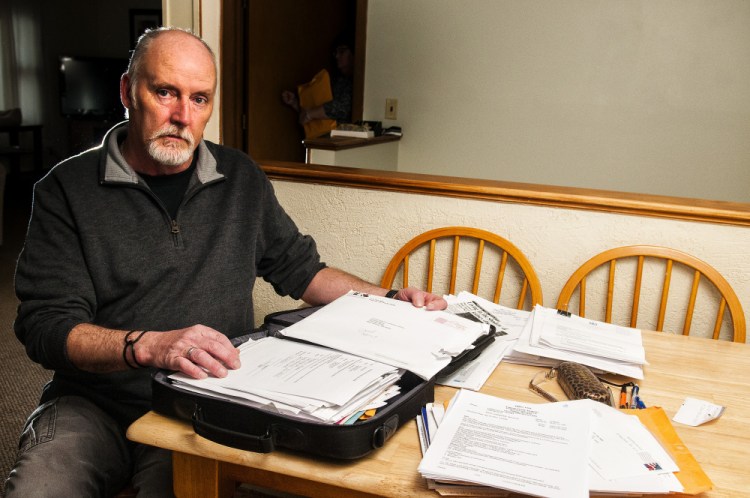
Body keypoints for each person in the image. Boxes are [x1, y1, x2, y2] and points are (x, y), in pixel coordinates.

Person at [5, 27, 445, 497]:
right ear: (126, 91)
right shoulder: (64, 190)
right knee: (40, 488)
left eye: (200, 99)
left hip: (204, 399)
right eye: (165, 92)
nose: (182, 116)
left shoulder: (240, 178)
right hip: (92, 402)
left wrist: (393, 299)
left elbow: (303, 270)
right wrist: (148, 346)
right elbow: (46, 328)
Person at [281, 30, 354, 127]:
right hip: (324, 138)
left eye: (341, 51)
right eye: (335, 52)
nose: (337, 56)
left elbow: (341, 108)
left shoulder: (357, 83)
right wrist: (295, 103)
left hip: (345, 139)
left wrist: (310, 114)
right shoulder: (337, 81)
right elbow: (318, 110)